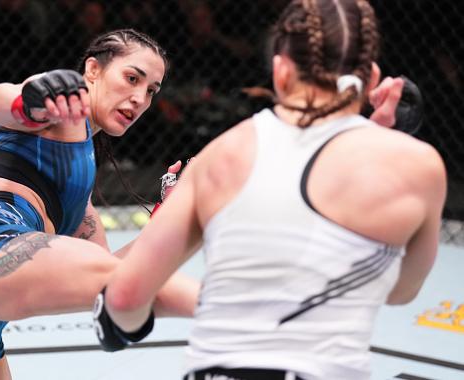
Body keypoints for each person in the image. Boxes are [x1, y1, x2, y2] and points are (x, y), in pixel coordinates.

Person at [94, 1, 447, 379]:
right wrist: (379, 146)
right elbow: (399, 291)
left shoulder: (224, 156)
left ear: (280, 72)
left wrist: (123, 322)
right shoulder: (418, 167)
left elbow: (125, 298)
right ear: (371, 76)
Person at [0, 29, 199, 380]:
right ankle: (262, 316)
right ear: (93, 69)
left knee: (123, 284)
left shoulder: (78, 187)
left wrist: (170, 219)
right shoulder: (60, 106)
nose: (139, 98)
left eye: (151, 90)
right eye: (132, 77)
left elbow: (110, 276)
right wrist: (28, 100)